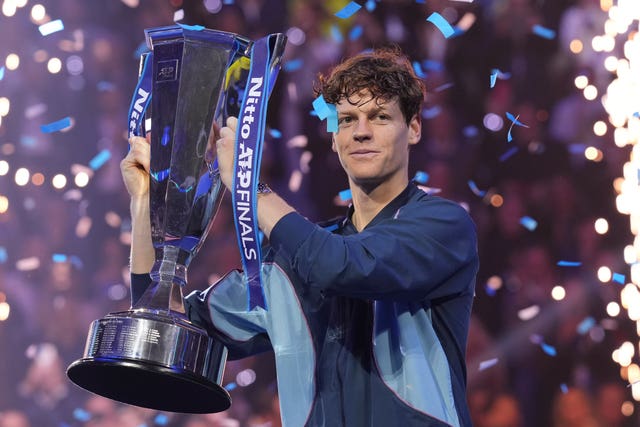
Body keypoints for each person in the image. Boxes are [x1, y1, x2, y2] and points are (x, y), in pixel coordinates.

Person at [123, 47, 479, 427]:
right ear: (333, 136)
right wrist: (145, 204)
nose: (360, 131)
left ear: (414, 128)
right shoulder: (290, 260)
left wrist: (248, 184)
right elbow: (165, 323)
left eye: (379, 116)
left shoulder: (443, 226)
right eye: (346, 119)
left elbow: (344, 267)